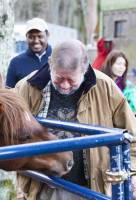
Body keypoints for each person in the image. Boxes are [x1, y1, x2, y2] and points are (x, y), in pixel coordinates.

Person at [14, 39, 136, 200]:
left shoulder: (106, 87)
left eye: (71, 80)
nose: (64, 85)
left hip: (92, 188)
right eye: (59, 78)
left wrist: (133, 172)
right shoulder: (27, 88)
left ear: (85, 70)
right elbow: (9, 137)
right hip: (43, 187)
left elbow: (131, 136)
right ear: (50, 64)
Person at [6, 17, 52, 88]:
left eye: (40, 36)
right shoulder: (16, 62)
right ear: (26, 38)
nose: (36, 41)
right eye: (31, 37)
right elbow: (9, 92)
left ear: (47, 35)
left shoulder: (58, 59)